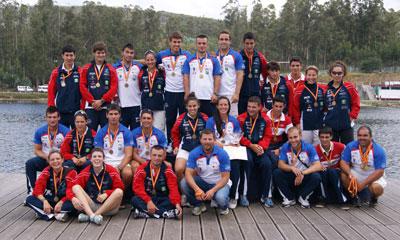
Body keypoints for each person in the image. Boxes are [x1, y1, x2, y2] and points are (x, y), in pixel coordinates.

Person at [181, 129, 231, 215]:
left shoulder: (222, 154)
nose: (207, 142)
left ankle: (224, 206)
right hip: (203, 182)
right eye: (204, 139)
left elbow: (226, 177)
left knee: (221, 198)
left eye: (210, 139)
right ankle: (199, 205)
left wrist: (213, 190)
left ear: (214, 140)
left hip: (219, 183)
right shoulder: (194, 153)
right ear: (200, 140)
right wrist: (197, 189)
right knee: (184, 182)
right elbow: (188, 173)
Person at [205, 96, 243, 209]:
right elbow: (207, 137)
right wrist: (219, 144)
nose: (223, 107)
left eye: (225, 105)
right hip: (215, 151)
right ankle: (215, 196)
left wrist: (236, 142)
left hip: (231, 151)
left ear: (229, 106)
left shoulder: (233, 120)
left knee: (235, 166)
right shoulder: (211, 120)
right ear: (217, 106)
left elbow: (238, 136)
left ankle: (233, 196)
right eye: (221, 104)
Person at [171, 93, 208, 206]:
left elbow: (210, 133)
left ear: (198, 106)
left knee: (196, 171)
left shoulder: (205, 117)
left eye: (194, 106)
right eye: (190, 106)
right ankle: (184, 194)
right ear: (186, 107)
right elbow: (174, 133)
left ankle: (196, 194)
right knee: (178, 169)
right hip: (185, 148)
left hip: (199, 149)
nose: (192, 108)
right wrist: (176, 146)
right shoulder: (181, 118)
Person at [71, 148, 124, 225]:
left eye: (99, 156)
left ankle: (91, 216)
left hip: (109, 208)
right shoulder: (85, 172)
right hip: (92, 206)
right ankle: (93, 216)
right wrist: (72, 198)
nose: (97, 159)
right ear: (91, 159)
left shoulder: (112, 170)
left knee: (119, 192)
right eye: (94, 156)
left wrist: (107, 194)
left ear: (103, 159)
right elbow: (71, 186)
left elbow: (121, 187)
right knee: (75, 187)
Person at [237, 96, 274, 207]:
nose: (251, 109)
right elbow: (238, 136)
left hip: (260, 149)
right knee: (247, 162)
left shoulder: (266, 119)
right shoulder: (241, 118)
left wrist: (260, 147)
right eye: (249, 106)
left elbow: (268, 136)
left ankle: (267, 195)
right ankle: (243, 195)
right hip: (246, 147)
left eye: (254, 107)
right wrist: (250, 145)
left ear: (259, 107)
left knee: (267, 164)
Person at [157, 32, 191, 147]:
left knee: (184, 119)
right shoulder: (162, 55)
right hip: (169, 93)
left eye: (178, 42)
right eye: (174, 42)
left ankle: (182, 142)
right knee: (170, 120)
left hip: (183, 93)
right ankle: (171, 144)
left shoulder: (187, 55)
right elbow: (149, 61)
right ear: (170, 42)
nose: (176, 44)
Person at [273, 127, 322, 208]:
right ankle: (289, 198)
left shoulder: (308, 147)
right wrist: (292, 168)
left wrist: (302, 173)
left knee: (316, 177)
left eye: (295, 137)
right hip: (292, 174)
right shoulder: (285, 147)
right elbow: (280, 164)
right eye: (290, 138)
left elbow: (318, 165)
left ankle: (303, 197)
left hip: (304, 175)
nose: (293, 140)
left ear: (300, 136)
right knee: (277, 172)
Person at [25, 106, 70, 194]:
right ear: (46, 118)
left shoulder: (66, 131)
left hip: (60, 160)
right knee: (30, 163)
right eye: (49, 117)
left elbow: (68, 151)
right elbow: (37, 150)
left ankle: (61, 191)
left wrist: (57, 159)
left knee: (70, 165)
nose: (52, 120)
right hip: (46, 158)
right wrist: (47, 158)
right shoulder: (40, 131)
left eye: (54, 117)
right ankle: (32, 191)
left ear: (59, 117)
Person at [340, 126, 387, 207]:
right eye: (360, 135)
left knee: (377, 188)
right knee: (343, 175)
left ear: (371, 137)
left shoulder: (379, 150)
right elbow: (343, 162)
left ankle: (374, 198)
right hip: (357, 173)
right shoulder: (351, 146)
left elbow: (380, 171)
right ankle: (354, 196)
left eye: (365, 135)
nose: (362, 138)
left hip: (373, 174)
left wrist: (363, 184)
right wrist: (349, 173)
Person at [131, 145, 182, 219]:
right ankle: (164, 213)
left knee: (172, 202)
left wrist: (177, 204)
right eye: (154, 155)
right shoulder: (142, 169)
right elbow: (137, 189)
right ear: (150, 156)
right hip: (147, 198)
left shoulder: (168, 170)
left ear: (164, 157)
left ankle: (145, 213)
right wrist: (148, 201)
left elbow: (173, 189)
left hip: (162, 198)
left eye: (159, 156)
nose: (156, 158)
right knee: (134, 199)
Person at [25, 150, 77, 221]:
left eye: (58, 159)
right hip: (50, 200)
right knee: (29, 199)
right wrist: (44, 201)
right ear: (49, 162)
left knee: (74, 204)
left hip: (64, 200)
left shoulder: (71, 172)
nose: (55, 161)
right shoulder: (46, 172)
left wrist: (61, 202)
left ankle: (44, 212)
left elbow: (71, 191)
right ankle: (54, 214)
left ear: (62, 160)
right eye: (52, 160)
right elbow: (37, 190)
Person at [93, 104, 133, 190]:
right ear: (107, 115)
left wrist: (119, 167)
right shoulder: (101, 132)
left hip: (121, 162)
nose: (113, 117)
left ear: (120, 115)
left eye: (115, 114)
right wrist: (106, 166)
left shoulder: (126, 132)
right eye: (111, 114)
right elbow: (98, 153)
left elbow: (129, 155)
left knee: (128, 173)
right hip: (106, 162)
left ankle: (122, 193)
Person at [80, 41, 118, 131]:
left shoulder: (111, 69)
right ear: (94, 53)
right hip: (90, 107)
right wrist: (92, 101)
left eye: (102, 53)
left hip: (106, 108)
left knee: (107, 134)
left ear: (105, 54)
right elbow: (82, 86)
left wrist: (102, 101)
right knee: (90, 134)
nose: (100, 55)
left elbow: (114, 87)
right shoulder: (86, 68)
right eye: (98, 53)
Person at [182, 34, 222, 117]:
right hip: (194, 98)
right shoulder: (189, 59)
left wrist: (215, 93)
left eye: (204, 43)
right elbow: (186, 77)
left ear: (207, 45)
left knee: (210, 123)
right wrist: (187, 93)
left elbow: (217, 78)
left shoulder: (213, 60)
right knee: (195, 123)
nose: (201, 45)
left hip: (209, 97)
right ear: (196, 44)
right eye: (199, 43)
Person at [324, 61, 360, 144]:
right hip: (330, 126)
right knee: (333, 151)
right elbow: (324, 107)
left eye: (339, 73)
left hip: (346, 125)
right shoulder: (326, 89)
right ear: (331, 73)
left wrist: (352, 117)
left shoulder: (349, 87)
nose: (337, 75)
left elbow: (356, 103)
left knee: (348, 149)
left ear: (343, 74)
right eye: (334, 73)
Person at [48, 45, 82, 128]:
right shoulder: (56, 72)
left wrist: (82, 109)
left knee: (77, 137)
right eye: (67, 55)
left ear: (75, 56)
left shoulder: (80, 72)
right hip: (61, 112)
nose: (69, 58)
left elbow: (84, 92)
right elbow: (51, 93)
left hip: (76, 112)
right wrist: (52, 110)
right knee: (62, 138)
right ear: (62, 56)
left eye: (71, 55)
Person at [293, 65, 326, 145]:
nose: (311, 77)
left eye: (314, 75)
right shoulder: (299, 90)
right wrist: (297, 123)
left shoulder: (323, 89)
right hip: (305, 124)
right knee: (306, 147)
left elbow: (326, 106)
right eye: (309, 75)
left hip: (320, 124)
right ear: (306, 76)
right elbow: (295, 108)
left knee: (318, 147)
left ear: (317, 75)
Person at [113, 43, 143, 130]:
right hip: (122, 106)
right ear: (122, 53)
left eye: (131, 53)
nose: (129, 55)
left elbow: (149, 62)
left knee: (135, 134)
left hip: (136, 105)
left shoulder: (139, 66)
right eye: (127, 52)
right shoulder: (115, 67)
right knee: (122, 133)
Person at [314, 126, 346, 207]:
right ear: (319, 137)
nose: (324, 139)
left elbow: (347, 161)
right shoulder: (314, 149)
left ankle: (342, 200)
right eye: (322, 137)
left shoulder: (341, 147)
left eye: (327, 137)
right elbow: (312, 165)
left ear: (331, 137)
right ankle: (322, 199)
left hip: (336, 172)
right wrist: (318, 167)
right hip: (322, 173)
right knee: (321, 172)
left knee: (332, 171)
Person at [216, 30, 245, 117]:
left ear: (230, 41)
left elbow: (240, 75)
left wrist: (236, 94)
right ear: (218, 41)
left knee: (232, 120)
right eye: (221, 39)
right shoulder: (213, 56)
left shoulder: (236, 55)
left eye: (226, 39)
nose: (223, 41)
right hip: (217, 94)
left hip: (230, 94)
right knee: (218, 120)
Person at [238, 32, 268, 114]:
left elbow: (266, 74)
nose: (249, 46)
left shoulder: (260, 57)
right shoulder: (238, 56)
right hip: (241, 95)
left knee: (256, 118)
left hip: (255, 95)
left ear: (255, 43)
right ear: (243, 43)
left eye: (251, 43)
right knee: (242, 117)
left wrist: (262, 85)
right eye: (247, 43)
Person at [139, 50, 166, 132]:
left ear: (156, 60)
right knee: (145, 131)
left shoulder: (162, 72)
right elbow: (139, 87)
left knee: (159, 131)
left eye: (152, 59)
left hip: (159, 107)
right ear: (145, 61)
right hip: (145, 106)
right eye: (148, 60)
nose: (150, 62)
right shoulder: (141, 72)